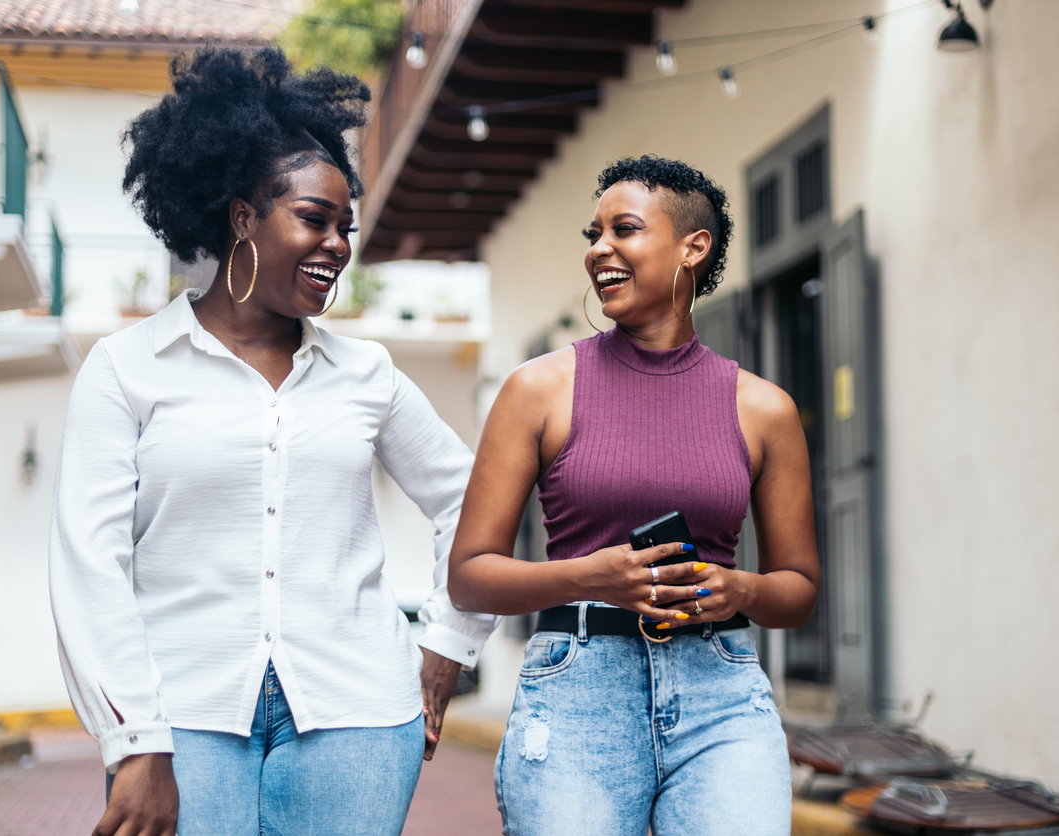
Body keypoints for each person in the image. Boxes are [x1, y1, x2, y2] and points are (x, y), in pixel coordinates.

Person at [49, 46, 497, 836]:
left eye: (345, 227)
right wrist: (135, 740)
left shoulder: (367, 374)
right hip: (182, 715)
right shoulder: (127, 369)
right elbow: (91, 562)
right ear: (243, 218)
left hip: (358, 712)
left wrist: (447, 646)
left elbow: (471, 498)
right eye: (314, 220)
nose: (336, 245)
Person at [448, 155, 820, 836]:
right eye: (593, 235)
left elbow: (798, 588)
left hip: (722, 694)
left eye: (623, 230)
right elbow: (470, 577)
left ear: (693, 247)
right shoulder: (539, 391)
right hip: (577, 690)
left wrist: (739, 590)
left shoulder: (764, 408)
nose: (599, 251)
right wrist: (594, 576)